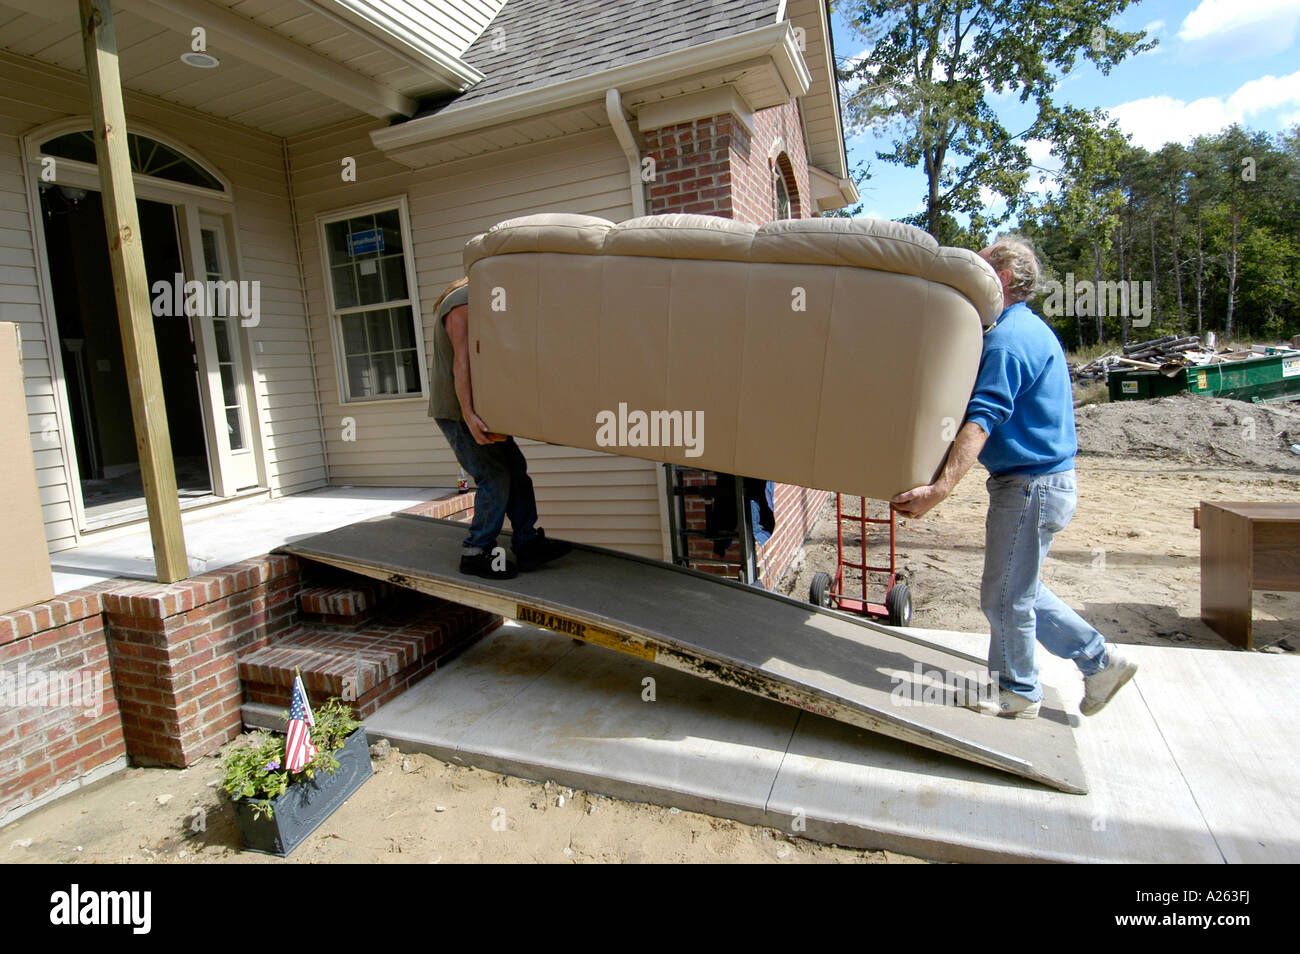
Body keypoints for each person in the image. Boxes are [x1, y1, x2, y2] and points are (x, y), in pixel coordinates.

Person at [890, 237, 1137, 719]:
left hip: (1031, 486)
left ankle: (1019, 689)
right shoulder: (1024, 330)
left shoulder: (1008, 341)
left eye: (982, 268)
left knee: (1005, 594)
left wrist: (939, 490)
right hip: (1038, 483)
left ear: (1001, 278)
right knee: (1016, 589)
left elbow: (982, 419)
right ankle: (1099, 661)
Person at [428, 276, 571, 580]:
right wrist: (468, 413)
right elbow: (462, 362)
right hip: (458, 411)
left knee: (515, 469)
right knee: (494, 475)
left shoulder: (484, 304)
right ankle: (476, 552)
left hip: (479, 409)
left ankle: (527, 543)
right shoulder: (462, 302)